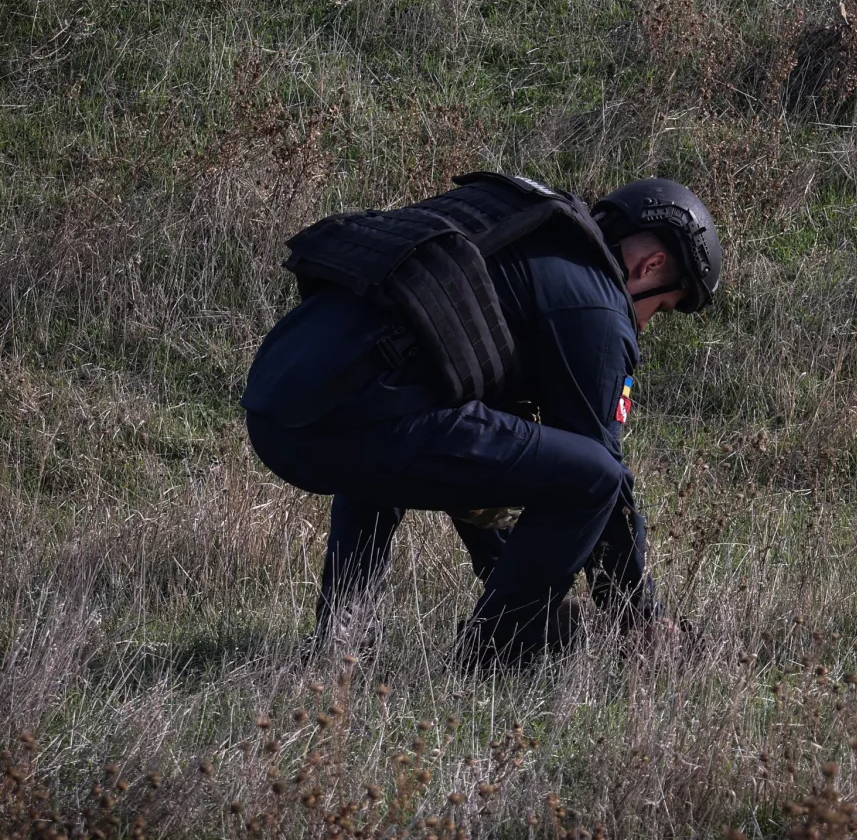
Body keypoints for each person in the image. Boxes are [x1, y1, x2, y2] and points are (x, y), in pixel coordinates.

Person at [240, 171, 722, 667]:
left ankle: (343, 637)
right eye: (661, 308)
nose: (646, 324)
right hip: (346, 424)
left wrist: (508, 575)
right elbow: (604, 480)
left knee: (414, 422)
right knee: (593, 476)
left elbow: (489, 452)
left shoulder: (521, 232)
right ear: (652, 264)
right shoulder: (595, 303)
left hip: (276, 409)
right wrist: (639, 616)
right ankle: (493, 654)